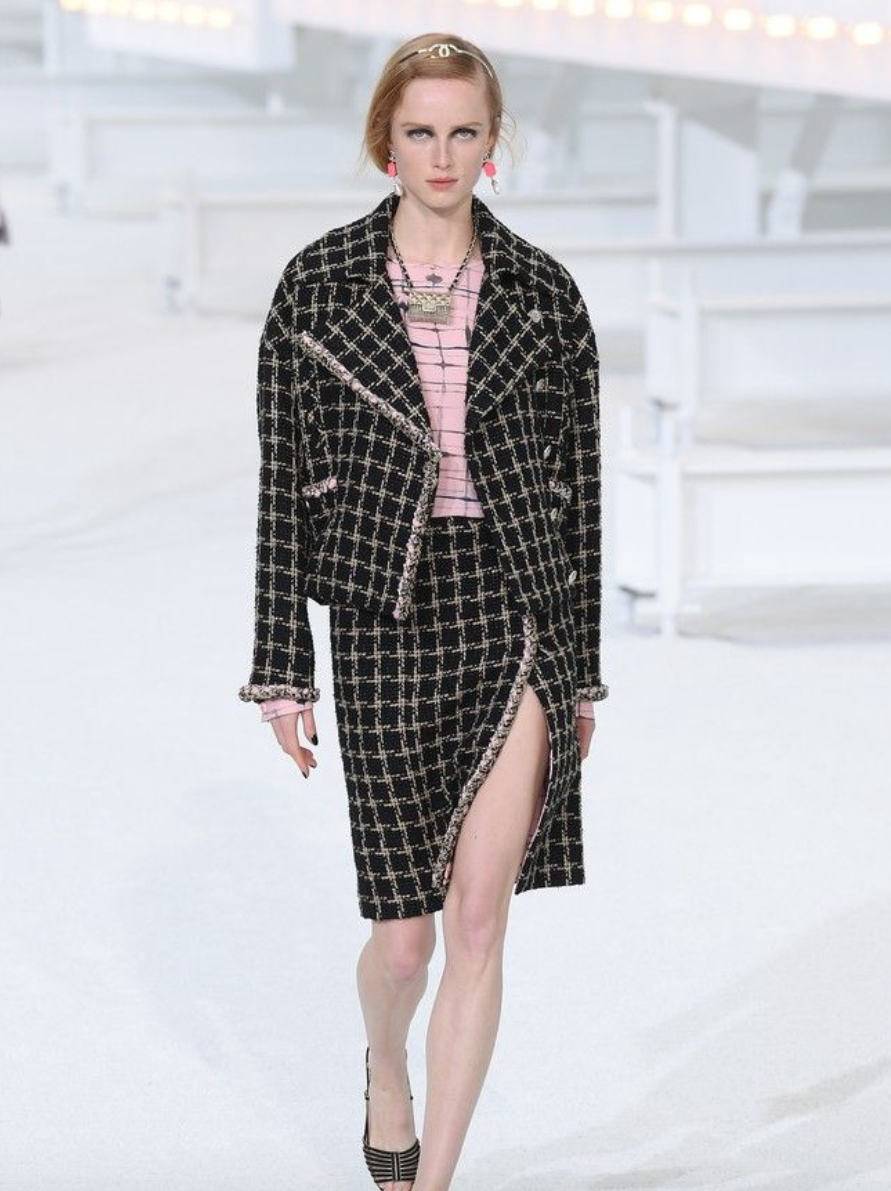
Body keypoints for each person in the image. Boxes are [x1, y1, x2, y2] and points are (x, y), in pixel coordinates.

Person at [237, 32, 608, 1191]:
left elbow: (578, 490)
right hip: (382, 618)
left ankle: (434, 1181)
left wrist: (582, 671)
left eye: (463, 132)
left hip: (513, 605)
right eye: (419, 132)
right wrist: (282, 666)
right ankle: (386, 1065)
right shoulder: (318, 284)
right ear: (383, 143)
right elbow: (281, 483)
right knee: (405, 943)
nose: (441, 155)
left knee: (480, 921)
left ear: (492, 143)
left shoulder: (544, 293)